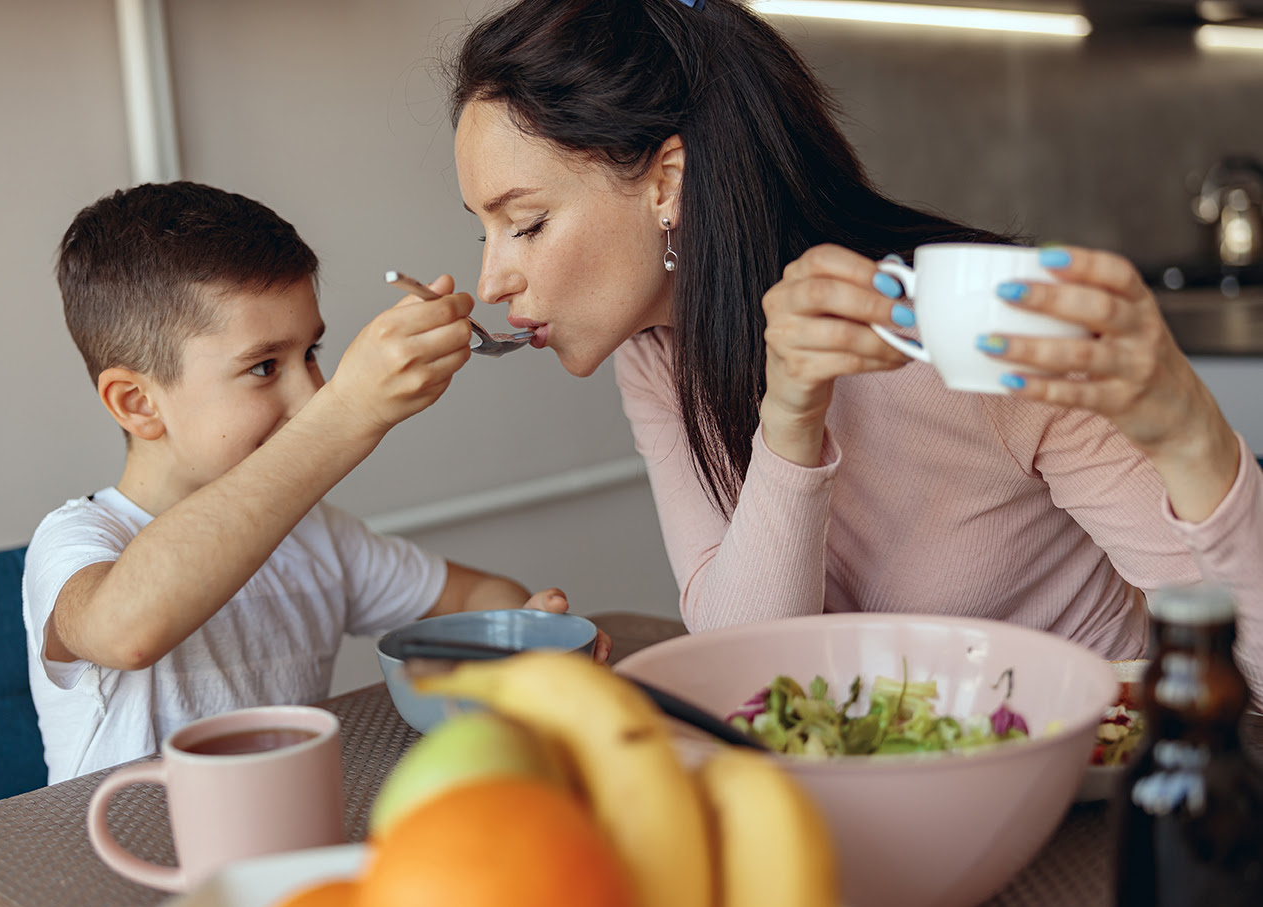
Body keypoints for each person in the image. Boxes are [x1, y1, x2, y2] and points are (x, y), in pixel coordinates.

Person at [442, 0, 1263, 686]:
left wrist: (1190, 433)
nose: (493, 281)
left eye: (526, 223)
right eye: (487, 230)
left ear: (667, 183)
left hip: (1079, 784)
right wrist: (790, 424)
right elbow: (751, 671)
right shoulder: (656, 356)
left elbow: (1248, 668)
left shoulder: (969, 338)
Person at [25, 181, 605, 783]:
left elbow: (475, 595)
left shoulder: (315, 537)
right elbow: (127, 631)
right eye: (264, 366)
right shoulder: (76, 540)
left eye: (310, 354)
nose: (312, 395)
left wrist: (523, 630)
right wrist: (347, 414)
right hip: (115, 841)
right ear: (137, 402)